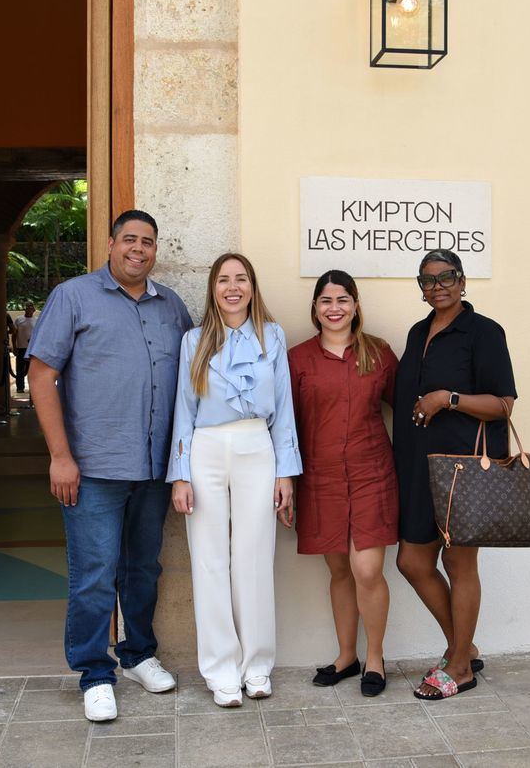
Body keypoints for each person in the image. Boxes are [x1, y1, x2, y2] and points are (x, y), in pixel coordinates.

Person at [27, 210, 192, 722]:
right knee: (95, 574)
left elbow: (192, 380)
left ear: (155, 250)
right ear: (110, 243)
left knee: (142, 568)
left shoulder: (172, 307)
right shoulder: (73, 296)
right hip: (93, 468)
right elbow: (40, 374)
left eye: (147, 242)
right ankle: (94, 674)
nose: (138, 249)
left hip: (152, 468)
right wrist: (60, 456)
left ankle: (138, 653)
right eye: (129, 240)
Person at [169, 252, 302, 708]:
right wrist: (180, 475)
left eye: (240, 278)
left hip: (255, 448)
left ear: (252, 286)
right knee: (208, 560)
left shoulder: (273, 337)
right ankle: (221, 669)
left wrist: (286, 471)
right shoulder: (194, 341)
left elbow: (283, 408)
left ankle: (257, 665)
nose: (232, 287)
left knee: (254, 556)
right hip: (205, 449)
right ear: (212, 288)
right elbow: (183, 412)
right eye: (223, 280)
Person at [393, 249, 516, 701]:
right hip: (418, 467)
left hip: (464, 469)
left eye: (447, 277)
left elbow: (503, 404)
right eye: (428, 280)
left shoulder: (483, 332)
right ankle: (462, 647)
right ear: (421, 288)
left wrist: (449, 397)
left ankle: (460, 667)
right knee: (412, 561)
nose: (438, 285)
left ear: (463, 281)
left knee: (458, 563)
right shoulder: (417, 332)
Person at [288, 270, 399, 697]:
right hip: (320, 478)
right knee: (338, 570)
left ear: (355, 305)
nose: (334, 308)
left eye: (343, 299)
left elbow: (404, 411)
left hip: (373, 474)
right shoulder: (298, 359)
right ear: (315, 308)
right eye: (325, 300)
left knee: (367, 569)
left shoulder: (379, 353)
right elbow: (287, 424)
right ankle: (346, 656)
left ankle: (376, 658)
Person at [13, 302, 37, 392]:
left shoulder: (37, 320)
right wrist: (14, 347)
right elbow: (14, 334)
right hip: (21, 348)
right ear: (25, 309)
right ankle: (20, 388)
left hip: (32, 349)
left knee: (32, 370)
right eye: (27, 307)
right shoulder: (19, 319)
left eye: (31, 307)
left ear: (34, 310)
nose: (29, 309)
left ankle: (33, 388)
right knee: (20, 369)